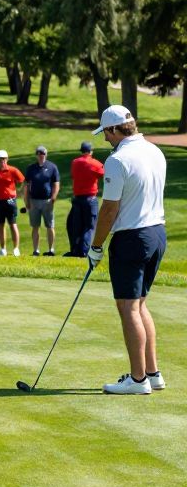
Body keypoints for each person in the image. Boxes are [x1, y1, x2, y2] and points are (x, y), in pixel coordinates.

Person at [86, 105, 167, 395]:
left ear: (113, 130)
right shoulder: (154, 150)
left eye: (106, 134)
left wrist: (95, 246)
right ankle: (152, 374)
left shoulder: (118, 160)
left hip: (132, 238)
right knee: (140, 304)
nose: (105, 140)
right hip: (157, 233)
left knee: (128, 307)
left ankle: (137, 379)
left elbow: (109, 209)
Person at [66, 141, 106, 257]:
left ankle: (75, 250)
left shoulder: (75, 162)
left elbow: (73, 176)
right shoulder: (95, 163)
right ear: (90, 151)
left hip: (77, 199)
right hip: (90, 199)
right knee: (89, 227)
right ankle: (84, 251)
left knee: (76, 226)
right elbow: (103, 174)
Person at [22, 145, 61, 256]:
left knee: (50, 226)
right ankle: (36, 250)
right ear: (36, 155)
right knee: (35, 226)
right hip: (34, 201)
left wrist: (53, 198)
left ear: (46, 154)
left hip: (47, 201)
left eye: (43, 153)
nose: (41, 156)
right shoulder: (31, 168)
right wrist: (27, 201)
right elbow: (26, 185)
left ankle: (51, 250)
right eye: (39, 154)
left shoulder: (52, 167)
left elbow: (56, 184)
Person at [0, 150, 24, 256]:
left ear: (7, 159)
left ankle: (16, 249)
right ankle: (3, 249)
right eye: (0, 159)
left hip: (10, 201)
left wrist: (18, 193)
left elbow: (22, 181)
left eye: (3, 159)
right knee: (0, 225)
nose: (2, 161)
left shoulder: (13, 170)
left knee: (13, 224)